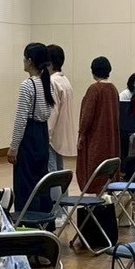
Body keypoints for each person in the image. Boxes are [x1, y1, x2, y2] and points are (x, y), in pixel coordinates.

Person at [8, 42, 54, 214]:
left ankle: (27, 219)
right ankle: (44, 219)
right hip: (42, 134)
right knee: (41, 180)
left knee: (26, 183)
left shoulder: (27, 85)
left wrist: (13, 148)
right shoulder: (47, 83)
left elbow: (21, 120)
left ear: (29, 60)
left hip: (29, 136)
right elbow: (48, 111)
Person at [76, 56, 121, 190]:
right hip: (111, 136)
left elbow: (87, 115)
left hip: (96, 136)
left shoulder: (95, 89)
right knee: (109, 168)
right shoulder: (113, 89)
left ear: (93, 71)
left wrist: (81, 133)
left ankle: (98, 196)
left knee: (96, 168)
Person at [46, 44, 77, 201]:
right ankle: (63, 207)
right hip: (62, 132)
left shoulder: (52, 82)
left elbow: (52, 112)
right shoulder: (65, 80)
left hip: (52, 134)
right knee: (61, 172)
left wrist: (46, 134)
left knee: (52, 174)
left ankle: (56, 210)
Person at [118, 72, 135, 173]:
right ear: (132, 82)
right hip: (125, 126)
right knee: (125, 146)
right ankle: (124, 169)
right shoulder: (125, 94)